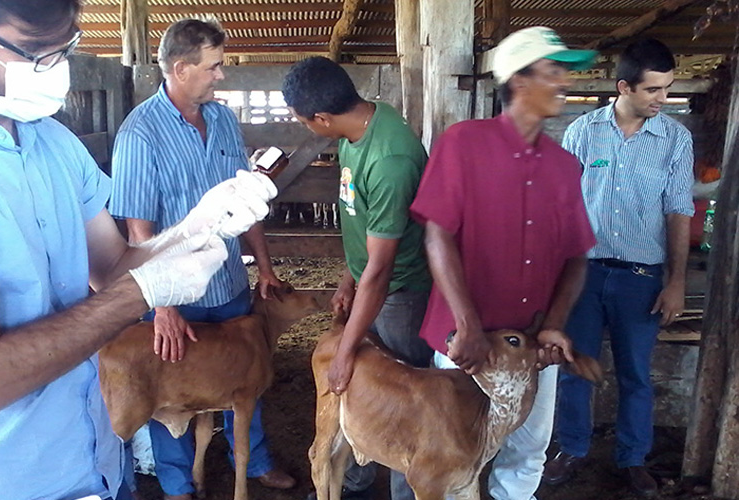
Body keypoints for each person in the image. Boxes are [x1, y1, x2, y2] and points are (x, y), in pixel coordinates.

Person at [0, 2, 276, 500]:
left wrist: (195, 227)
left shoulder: (51, 139)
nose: (57, 71)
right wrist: (146, 293)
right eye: (36, 53)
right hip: (10, 479)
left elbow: (113, 266)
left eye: (64, 50)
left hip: (96, 460)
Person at [109, 19, 294, 500]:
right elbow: (138, 229)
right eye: (213, 67)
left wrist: (266, 266)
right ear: (179, 68)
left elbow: (245, 197)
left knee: (244, 377)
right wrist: (162, 306)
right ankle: (176, 483)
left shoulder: (225, 120)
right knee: (166, 385)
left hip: (229, 282)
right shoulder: (140, 133)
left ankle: (254, 465)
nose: (221, 76)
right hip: (175, 292)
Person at [409, 27, 597, 500]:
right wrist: (467, 324)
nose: (564, 83)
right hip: (466, 343)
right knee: (453, 452)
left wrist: (553, 325)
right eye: (553, 72)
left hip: (532, 343)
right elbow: (438, 234)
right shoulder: (463, 143)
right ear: (518, 81)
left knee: (528, 451)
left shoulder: (562, 166)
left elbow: (576, 256)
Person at [544, 38, 694, 497]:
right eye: (653, 90)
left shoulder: (675, 139)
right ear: (624, 86)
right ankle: (572, 447)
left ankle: (632, 457)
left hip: (641, 277)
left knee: (635, 373)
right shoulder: (583, 132)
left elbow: (678, 212)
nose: (662, 100)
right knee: (575, 364)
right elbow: (563, 208)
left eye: (667, 89)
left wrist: (676, 282)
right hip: (583, 273)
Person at [282, 56, 434, 500]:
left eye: (304, 121)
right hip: (370, 284)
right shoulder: (354, 134)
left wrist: (346, 348)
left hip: (400, 294)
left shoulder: (390, 158)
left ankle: (404, 493)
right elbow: (360, 220)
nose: (306, 126)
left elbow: (383, 269)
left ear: (323, 117)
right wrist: (349, 276)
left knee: (402, 402)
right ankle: (355, 481)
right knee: (366, 392)